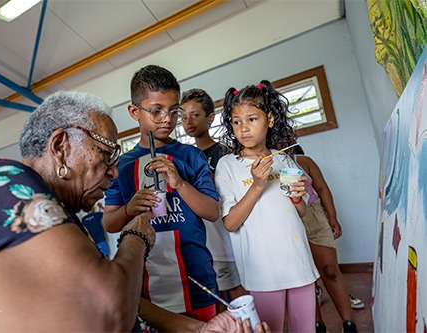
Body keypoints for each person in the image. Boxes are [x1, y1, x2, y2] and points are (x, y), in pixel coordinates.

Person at [0, 90, 270, 333]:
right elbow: (105, 310)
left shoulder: (57, 212)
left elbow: (115, 294)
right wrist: (136, 235)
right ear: (61, 148)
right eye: (106, 155)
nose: (112, 171)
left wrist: (197, 329)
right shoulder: (2, 186)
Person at [103, 65, 221, 322]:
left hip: (197, 280)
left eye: (173, 111)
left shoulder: (191, 156)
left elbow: (213, 212)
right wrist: (128, 209)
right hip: (146, 288)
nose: (167, 119)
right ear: (135, 111)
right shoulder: (121, 167)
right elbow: (109, 224)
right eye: (156, 111)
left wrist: (179, 184)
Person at [215, 81, 320, 332]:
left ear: (270, 119)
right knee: (268, 328)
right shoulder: (228, 165)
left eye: (252, 119)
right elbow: (230, 223)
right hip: (262, 270)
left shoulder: (282, 158)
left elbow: (300, 211)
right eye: (236, 121)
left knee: (305, 329)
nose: (243, 128)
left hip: (299, 262)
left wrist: (297, 197)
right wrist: (257, 185)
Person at [180, 88, 249, 312]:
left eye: (195, 114)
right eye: (182, 116)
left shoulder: (226, 153)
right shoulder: (184, 157)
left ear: (210, 117)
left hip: (227, 237)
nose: (188, 121)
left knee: (239, 293)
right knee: (214, 298)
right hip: (202, 238)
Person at [293, 145, 359, 333]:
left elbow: (321, 189)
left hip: (314, 216)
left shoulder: (303, 161)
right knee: (304, 278)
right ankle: (317, 325)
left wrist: (332, 217)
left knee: (330, 270)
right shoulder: (264, 166)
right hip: (288, 220)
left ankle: (349, 324)